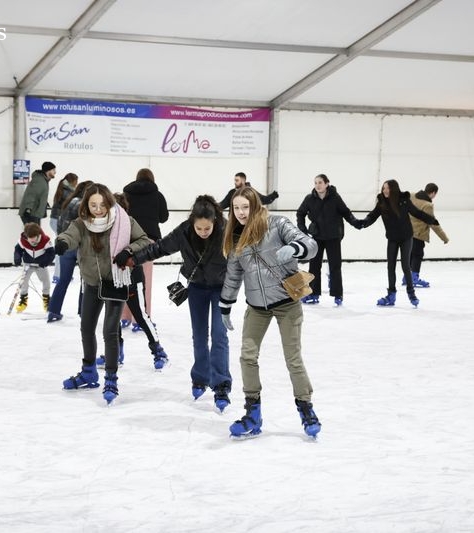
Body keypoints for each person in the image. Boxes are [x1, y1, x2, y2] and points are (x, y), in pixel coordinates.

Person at [220, 187, 321, 439]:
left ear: (255, 206)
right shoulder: (235, 237)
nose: (241, 212)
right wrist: (225, 305)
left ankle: (306, 408)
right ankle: (252, 413)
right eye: (236, 208)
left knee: (293, 358)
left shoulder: (277, 224)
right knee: (247, 356)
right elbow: (233, 275)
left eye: (245, 207)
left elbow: (311, 244)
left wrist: (296, 248)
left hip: (287, 303)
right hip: (256, 307)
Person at [131, 195, 232, 412]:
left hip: (221, 289)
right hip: (196, 287)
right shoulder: (184, 231)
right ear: (192, 222)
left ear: (215, 221)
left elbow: (244, 258)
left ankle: (221, 384)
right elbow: (159, 248)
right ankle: (200, 378)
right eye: (200, 228)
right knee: (199, 335)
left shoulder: (226, 232)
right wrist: (133, 259)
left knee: (219, 335)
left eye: (208, 228)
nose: (204, 232)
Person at [54, 183, 151, 405]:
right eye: (93, 205)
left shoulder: (123, 221)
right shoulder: (81, 224)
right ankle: (88, 372)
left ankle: (111, 378)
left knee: (110, 331)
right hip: (91, 283)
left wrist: (127, 251)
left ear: (109, 203)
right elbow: (69, 235)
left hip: (116, 282)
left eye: (102, 204)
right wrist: (62, 243)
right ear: (86, 206)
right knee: (86, 327)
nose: (98, 209)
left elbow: (144, 240)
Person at [97, 193, 168, 371]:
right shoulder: (101, 226)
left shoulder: (130, 223)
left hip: (132, 277)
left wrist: (128, 251)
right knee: (112, 320)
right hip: (111, 279)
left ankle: (158, 351)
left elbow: (145, 242)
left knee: (141, 316)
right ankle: (115, 352)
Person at [357, 179, 439, 307]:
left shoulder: (404, 200)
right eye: (383, 188)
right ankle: (391, 295)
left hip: (406, 237)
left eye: (387, 188)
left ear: (393, 189)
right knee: (390, 266)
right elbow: (372, 216)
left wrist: (431, 220)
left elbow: (416, 212)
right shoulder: (382, 203)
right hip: (392, 238)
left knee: (405, 266)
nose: (385, 190)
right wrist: (362, 223)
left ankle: (411, 293)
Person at [296, 173, 362, 306]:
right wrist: (303, 231)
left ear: (327, 184)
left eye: (320, 182)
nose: (317, 185)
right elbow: (300, 213)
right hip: (317, 238)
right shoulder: (310, 198)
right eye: (315, 183)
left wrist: (355, 222)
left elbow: (346, 212)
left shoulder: (335, 198)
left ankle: (338, 295)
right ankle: (313, 294)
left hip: (333, 237)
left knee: (335, 266)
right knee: (314, 266)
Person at [120, 168, 169, 329]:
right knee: (144, 280)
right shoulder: (157, 195)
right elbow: (163, 217)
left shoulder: (126, 194)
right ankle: (141, 319)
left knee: (127, 278)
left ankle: (124, 316)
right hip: (149, 240)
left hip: (129, 239)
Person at [47, 180, 94, 323]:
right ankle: (83, 312)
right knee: (85, 281)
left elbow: (60, 226)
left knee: (63, 280)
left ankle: (53, 311)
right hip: (80, 247)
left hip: (66, 246)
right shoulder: (84, 206)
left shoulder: (68, 202)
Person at [409, 183, 449, 288]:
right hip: (418, 234)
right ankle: (414, 278)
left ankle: (407, 277)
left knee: (410, 254)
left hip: (406, 231)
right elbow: (433, 223)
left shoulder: (412, 195)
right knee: (417, 255)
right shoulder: (428, 205)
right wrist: (444, 238)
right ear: (433, 193)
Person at [13, 222, 55, 313]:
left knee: (46, 282)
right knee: (23, 282)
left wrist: (45, 262)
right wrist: (17, 259)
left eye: (34, 238)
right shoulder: (23, 240)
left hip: (40, 265)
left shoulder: (45, 240)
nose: (32, 240)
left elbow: (51, 254)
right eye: (30, 238)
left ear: (38, 235)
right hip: (28, 264)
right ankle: (23, 301)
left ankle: (46, 300)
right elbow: (17, 250)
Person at [49, 173, 78, 284]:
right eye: (76, 181)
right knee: (61, 247)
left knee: (61, 246)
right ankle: (59, 275)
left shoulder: (63, 188)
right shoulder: (68, 192)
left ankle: (60, 274)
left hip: (55, 220)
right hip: (59, 221)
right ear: (73, 181)